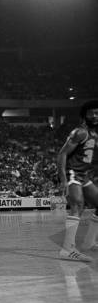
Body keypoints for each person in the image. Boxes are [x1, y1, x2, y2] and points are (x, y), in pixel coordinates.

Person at [56, 100, 98, 262]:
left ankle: (89, 242)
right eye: (91, 113)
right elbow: (62, 154)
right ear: (84, 115)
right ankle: (67, 249)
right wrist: (63, 179)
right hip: (73, 173)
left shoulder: (94, 134)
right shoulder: (80, 132)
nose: (94, 116)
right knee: (77, 205)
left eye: (97, 113)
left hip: (84, 176)